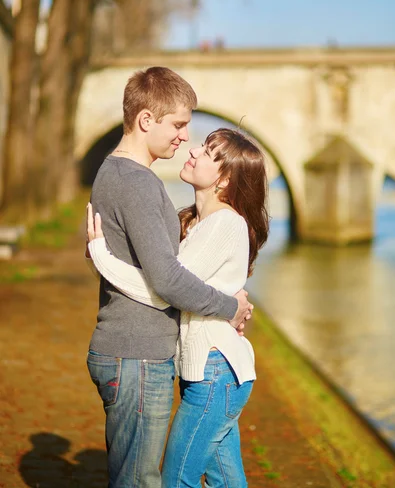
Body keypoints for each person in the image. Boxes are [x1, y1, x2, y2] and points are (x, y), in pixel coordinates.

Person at [85, 67, 253, 488]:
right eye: (178, 125)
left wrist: (102, 257)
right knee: (142, 480)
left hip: (135, 353)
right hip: (137, 354)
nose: (184, 138)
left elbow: (154, 271)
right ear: (146, 121)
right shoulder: (138, 183)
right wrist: (231, 304)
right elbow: (167, 281)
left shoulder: (116, 174)